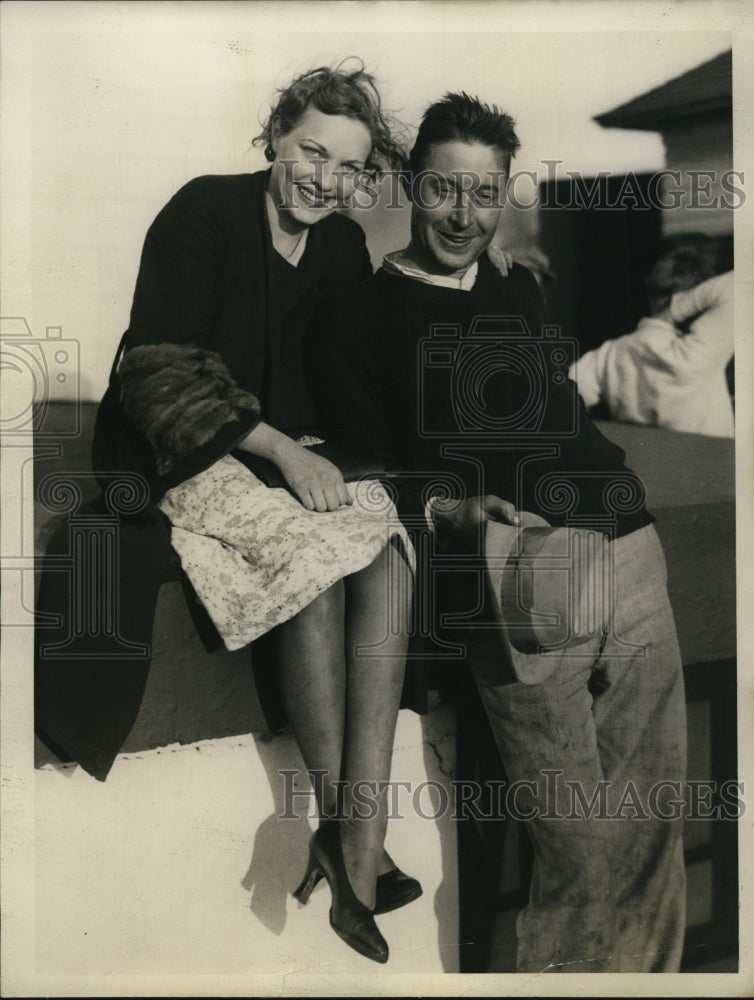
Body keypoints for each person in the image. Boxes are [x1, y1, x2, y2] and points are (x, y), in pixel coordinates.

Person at [36, 60, 422, 965]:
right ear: (277, 136)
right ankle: (356, 847)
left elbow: (359, 355)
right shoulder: (203, 211)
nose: (324, 180)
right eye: (311, 152)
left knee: (386, 552)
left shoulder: (338, 246)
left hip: (285, 458)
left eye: (347, 168)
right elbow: (158, 376)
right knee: (314, 564)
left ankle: (354, 834)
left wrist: (472, 273)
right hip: (179, 452)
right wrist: (285, 452)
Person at [309, 92, 687, 972]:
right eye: (445, 189)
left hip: (630, 554)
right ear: (413, 185)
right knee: (579, 854)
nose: (464, 214)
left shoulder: (520, 286)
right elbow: (367, 475)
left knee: (654, 833)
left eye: (485, 194)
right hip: (516, 580)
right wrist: (450, 508)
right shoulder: (354, 317)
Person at [569, 234, 734, 437]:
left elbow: (557, 397)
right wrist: (674, 312)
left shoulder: (611, 353)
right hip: (708, 456)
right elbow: (739, 284)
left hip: (642, 456)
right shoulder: (698, 350)